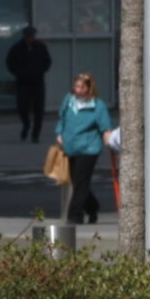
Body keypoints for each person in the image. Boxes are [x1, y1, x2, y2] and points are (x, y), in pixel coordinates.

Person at [56, 71, 116, 225]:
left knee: (82, 181)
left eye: (82, 87)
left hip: (88, 148)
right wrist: (59, 133)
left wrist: (108, 138)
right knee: (77, 182)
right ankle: (92, 206)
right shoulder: (69, 101)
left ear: (89, 88)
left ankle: (74, 215)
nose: (78, 90)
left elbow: (105, 126)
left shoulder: (97, 105)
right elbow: (62, 118)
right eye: (76, 86)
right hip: (70, 147)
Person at [7, 25, 53, 141]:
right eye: (27, 36)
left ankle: (35, 134)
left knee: (39, 109)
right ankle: (26, 125)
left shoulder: (40, 47)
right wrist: (18, 73)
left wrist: (40, 71)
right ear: (24, 36)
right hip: (23, 83)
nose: (29, 38)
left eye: (31, 36)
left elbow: (47, 61)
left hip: (37, 82)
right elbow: (10, 63)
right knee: (22, 107)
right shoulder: (17, 48)